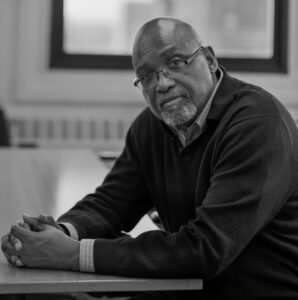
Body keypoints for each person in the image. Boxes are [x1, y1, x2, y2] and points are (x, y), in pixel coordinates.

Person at [2, 16, 298, 300]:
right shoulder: (152, 125)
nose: (163, 83)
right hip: (188, 287)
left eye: (176, 63)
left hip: (256, 290)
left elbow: (206, 248)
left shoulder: (258, 124)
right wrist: (60, 233)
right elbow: (111, 203)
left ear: (209, 59)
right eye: (146, 76)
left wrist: (70, 253)